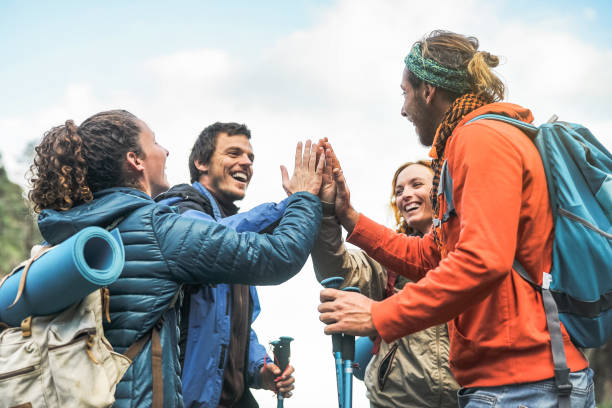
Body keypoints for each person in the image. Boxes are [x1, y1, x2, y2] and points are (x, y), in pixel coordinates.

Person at [317, 31, 595, 407]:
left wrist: (381, 314)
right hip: (515, 383)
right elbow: (432, 258)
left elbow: (482, 260)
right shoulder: (470, 142)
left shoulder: (480, 139)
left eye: (405, 93)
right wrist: (349, 216)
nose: (403, 109)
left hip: (525, 386)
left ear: (428, 91)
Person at [28, 109, 324, 408]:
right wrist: (304, 198)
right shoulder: (160, 226)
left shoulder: (71, 229)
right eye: (154, 142)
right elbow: (280, 255)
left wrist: (256, 367)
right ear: (136, 160)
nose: (166, 151)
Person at [155, 122, 295, 407]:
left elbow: (238, 326)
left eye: (250, 157)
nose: (246, 162)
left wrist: (261, 367)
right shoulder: (179, 208)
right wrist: (289, 207)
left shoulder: (238, 239)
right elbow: (215, 234)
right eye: (233, 153)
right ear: (201, 162)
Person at [311, 159, 458, 407]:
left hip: (468, 397)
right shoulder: (388, 259)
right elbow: (339, 269)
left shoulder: (467, 248)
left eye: (416, 184)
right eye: (399, 191)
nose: (406, 195)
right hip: (396, 399)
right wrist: (326, 212)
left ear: (440, 190)